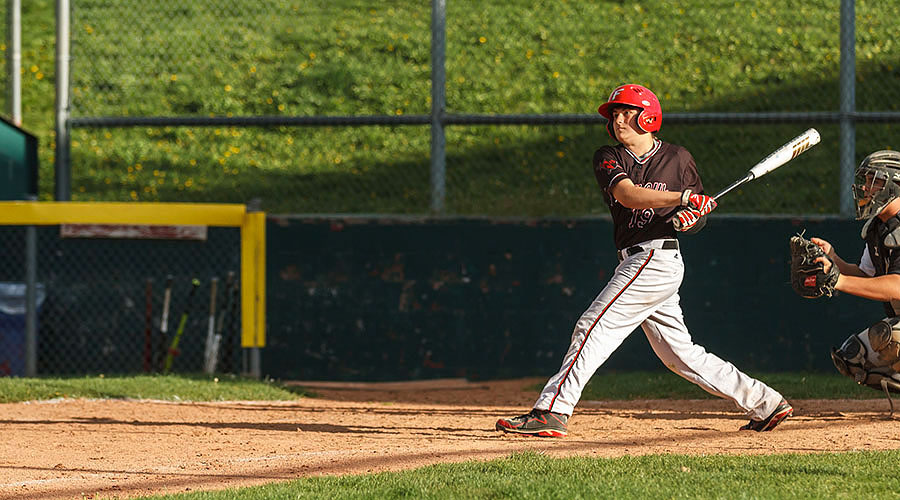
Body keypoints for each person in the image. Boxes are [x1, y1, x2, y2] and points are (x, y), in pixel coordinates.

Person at [495, 83, 792, 437]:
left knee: (592, 326)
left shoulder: (679, 159)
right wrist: (682, 199)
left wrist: (691, 218)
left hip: (656, 258)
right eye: (615, 114)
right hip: (637, 259)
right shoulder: (609, 156)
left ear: (648, 116)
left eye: (626, 112)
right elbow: (628, 195)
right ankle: (765, 402)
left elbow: (695, 220)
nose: (618, 120)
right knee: (680, 356)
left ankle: (552, 410)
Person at [813, 150, 900, 399]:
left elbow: (896, 286)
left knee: (892, 337)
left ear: (895, 183)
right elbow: (866, 275)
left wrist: (838, 280)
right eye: (866, 180)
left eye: (875, 180)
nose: (866, 187)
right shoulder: (879, 228)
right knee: (853, 357)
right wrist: (835, 261)